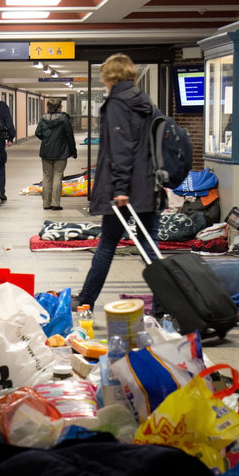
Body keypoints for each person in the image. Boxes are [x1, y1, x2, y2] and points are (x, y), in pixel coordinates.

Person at [74, 54, 159, 310]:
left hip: (126, 189)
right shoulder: (144, 101)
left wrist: (121, 188)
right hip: (148, 184)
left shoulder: (117, 104)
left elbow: (121, 149)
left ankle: (86, 300)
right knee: (148, 245)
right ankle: (169, 298)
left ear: (110, 77)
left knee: (109, 242)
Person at [35, 98, 77, 211]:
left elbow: (37, 133)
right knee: (58, 176)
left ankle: (46, 204)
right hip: (61, 152)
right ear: (59, 107)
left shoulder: (43, 119)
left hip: (46, 151)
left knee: (47, 177)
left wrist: (46, 139)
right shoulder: (64, 119)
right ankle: (55, 203)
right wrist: (73, 151)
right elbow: (69, 135)